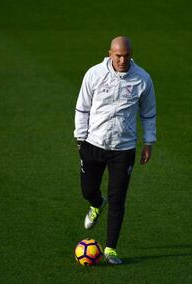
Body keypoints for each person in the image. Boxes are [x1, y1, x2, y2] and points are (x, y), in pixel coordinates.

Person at [74, 36, 156, 265]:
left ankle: (110, 248)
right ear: (110, 53)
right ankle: (97, 203)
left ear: (131, 54)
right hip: (93, 144)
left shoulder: (142, 79)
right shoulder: (94, 74)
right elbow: (82, 108)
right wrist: (80, 139)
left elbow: (148, 113)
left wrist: (149, 142)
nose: (122, 60)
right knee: (88, 190)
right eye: (118, 55)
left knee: (118, 198)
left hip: (124, 149)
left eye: (126, 56)